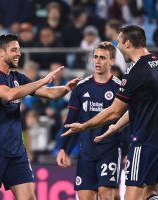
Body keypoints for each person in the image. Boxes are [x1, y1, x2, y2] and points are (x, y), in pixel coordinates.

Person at [62, 25, 158, 200]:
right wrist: (114, 128)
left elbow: (114, 111)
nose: (118, 44)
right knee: (149, 194)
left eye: (119, 41)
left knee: (131, 197)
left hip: (145, 142)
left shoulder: (136, 71)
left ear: (128, 43)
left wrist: (84, 125)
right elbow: (139, 107)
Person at [0, 34, 81, 200]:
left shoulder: (17, 77)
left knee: (29, 197)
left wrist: (66, 88)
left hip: (16, 150)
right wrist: (43, 80)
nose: (19, 53)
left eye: (19, 49)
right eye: (14, 50)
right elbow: (9, 95)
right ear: (1, 53)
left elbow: (48, 93)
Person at [56, 41, 124, 200]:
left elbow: (127, 122)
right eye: (95, 57)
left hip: (110, 149)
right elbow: (71, 120)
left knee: (106, 195)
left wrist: (127, 151)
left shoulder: (119, 88)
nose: (98, 61)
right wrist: (64, 149)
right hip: (86, 150)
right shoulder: (81, 87)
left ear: (112, 61)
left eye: (102, 58)